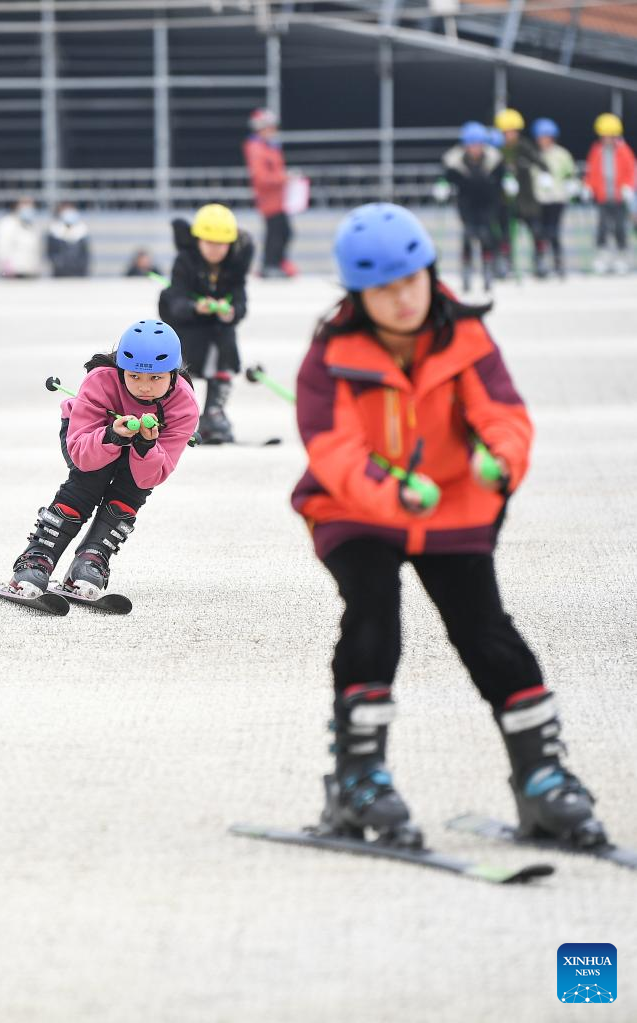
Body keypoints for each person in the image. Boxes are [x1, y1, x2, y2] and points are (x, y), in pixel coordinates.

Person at [291, 202, 607, 849]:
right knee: (373, 611)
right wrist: (385, 490)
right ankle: (359, 778)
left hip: (449, 505)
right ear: (358, 295)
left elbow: (504, 415)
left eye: (412, 279)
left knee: (484, 629)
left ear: (431, 273)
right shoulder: (329, 356)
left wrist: (501, 462)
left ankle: (541, 777)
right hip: (354, 508)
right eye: (383, 288)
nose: (402, 298)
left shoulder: (467, 338)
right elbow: (333, 449)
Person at [7, 320, 199, 600]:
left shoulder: (184, 404)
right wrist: (113, 436)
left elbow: (150, 477)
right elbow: (81, 455)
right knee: (88, 482)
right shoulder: (100, 380)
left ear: (173, 373)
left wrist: (145, 445)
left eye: (156, 378)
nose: (144, 387)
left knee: (129, 492)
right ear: (121, 369)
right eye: (134, 376)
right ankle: (39, 556)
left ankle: (93, 557)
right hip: (88, 442)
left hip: (144, 452)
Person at [158, 203, 253, 444]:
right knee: (178, 369)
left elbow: (241, 301)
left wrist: (231, 313)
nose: (214, 249)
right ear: (198, 240)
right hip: (186, 327)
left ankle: (213, 413)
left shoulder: (235, 266)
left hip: (218, 330)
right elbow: (175, 299)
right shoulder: (185, 261)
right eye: (209, 242)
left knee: (226, 353)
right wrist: (194, 307)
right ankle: (169, 414)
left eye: (220, 244)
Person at [437, 121, 504, 293]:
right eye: (471, 144)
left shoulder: (494, 159)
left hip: (488, 203)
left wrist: (509, 182)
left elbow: (503, 175)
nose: (475, 148)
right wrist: (443, 186)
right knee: (468, 235)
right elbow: (446, 177)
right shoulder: (454, 161)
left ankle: (487, 271)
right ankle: (466, 273)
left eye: (478, 144)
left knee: (485, 235)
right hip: (466, 203)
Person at [494, 108, 549, 277]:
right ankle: (506, 263)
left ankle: (539, 261)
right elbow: (493, 169)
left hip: (527, 197)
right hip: (506, 199)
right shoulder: (497, 150)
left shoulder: (525, 146)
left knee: (536, 230)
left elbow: (539, 161)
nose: (510, 135)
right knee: (505, 233)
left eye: (513, 131)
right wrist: (502, 179)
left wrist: (545, 174)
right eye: (506, 132)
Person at [242, 107, 297, 278]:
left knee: (283, 231)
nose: (273, 131)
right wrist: (283, 178)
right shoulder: (256, 148)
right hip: (269, 199)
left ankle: (276, 263)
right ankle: (270, 265)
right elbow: (261, 178)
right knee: (276, 232)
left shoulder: (270, 147)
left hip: (279, 199)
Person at [583, 113, 636, 275]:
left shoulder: (624, 151)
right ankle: (603, 257)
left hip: (620, 197)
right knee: (602, 228)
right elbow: (591, 172)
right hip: (603, 197)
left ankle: (622, 256)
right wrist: (588, 187)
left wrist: (628, 187)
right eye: (604, 136)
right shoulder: (597, 150)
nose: (607, 139)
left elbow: (631, 171)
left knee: (620, 228)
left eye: (610, 136)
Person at [530, 118, 579, 278]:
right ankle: (540, 263)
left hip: (557, 198)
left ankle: (558, 263)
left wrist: (571, 185)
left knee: (553, 232)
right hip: (539, 199)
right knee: (539, 233)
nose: (543, 140)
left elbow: (570, 173)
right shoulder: (534, 154)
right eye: (541, 137)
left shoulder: (561, 154)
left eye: (547, 136)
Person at [0, 197, 41, 279]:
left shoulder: (32, 225)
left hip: (29, 272)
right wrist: (6, 267)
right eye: (25, 204)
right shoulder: (7, 224)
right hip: (13, 273)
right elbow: (2, 248)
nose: (28, 207)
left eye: (30, 204)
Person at [46, 202, 91, 277]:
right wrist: (60, 265)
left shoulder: (82, 230)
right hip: (60, 274)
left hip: (78, 274)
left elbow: (85, 255)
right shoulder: (54, 230)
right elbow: (51, 253)